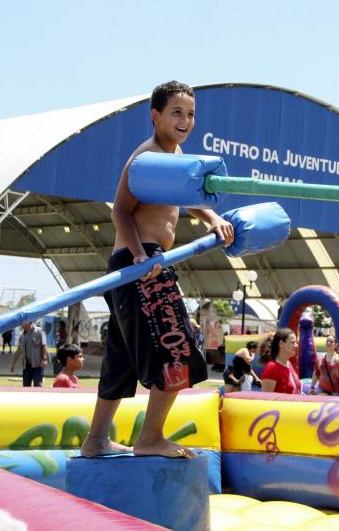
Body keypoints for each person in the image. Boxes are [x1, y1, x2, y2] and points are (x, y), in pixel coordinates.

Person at [81, 81, 235, 459]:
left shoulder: (177, 155)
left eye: (191, 114)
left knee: (120, 358)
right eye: (177, 112)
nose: (186, 121)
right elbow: (119, 210)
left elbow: (189, 197)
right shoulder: (145, 157)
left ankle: (96, 440)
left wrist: (212, 217)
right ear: (155, 115)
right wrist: (139, 256)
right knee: (177, 348)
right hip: (142, 265)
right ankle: (150, 438)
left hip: (139, 265)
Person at [260, 328, 301, 394]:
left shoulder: (289, 364)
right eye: (293, 342)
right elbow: (267, 400)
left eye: (296, 342)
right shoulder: (272, 368)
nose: (296, 345)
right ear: (281, 343)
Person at [9, 321, 49, 387]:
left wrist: (44, 359)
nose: (21, 324)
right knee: (26, 387)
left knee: (37, 386)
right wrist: (13, 364)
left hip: (38, 365)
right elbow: (19, 351)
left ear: (29, 322)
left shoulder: (40, 331)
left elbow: (44, 345)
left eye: (22, 322)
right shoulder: (22, 336)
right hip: (26, 366)